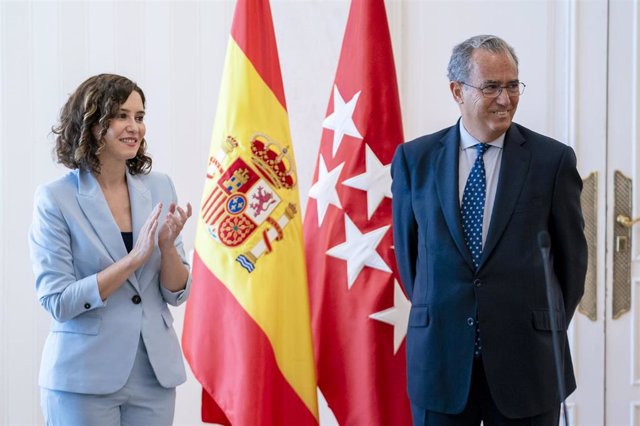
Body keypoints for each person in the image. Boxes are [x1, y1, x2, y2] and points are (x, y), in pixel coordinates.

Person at [391, 35, 588, 425]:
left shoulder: (552, 161)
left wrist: (536, 325)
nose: (505, 98)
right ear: (457, 91)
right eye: (491, 87)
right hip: (440, 363)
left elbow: (571, 264)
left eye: (513, 85)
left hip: (527, 362)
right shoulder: (415, 159)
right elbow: (410, 259)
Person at [29, 73, 193, 425]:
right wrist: (133, 260)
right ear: (90, 124)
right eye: (121, 115)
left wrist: (166, 249)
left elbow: (177, 292)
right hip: (83, 378)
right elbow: (58, 301)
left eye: (139, 116)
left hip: (154, 374)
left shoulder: (161, 187)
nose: (134, 126)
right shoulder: (55, 198)